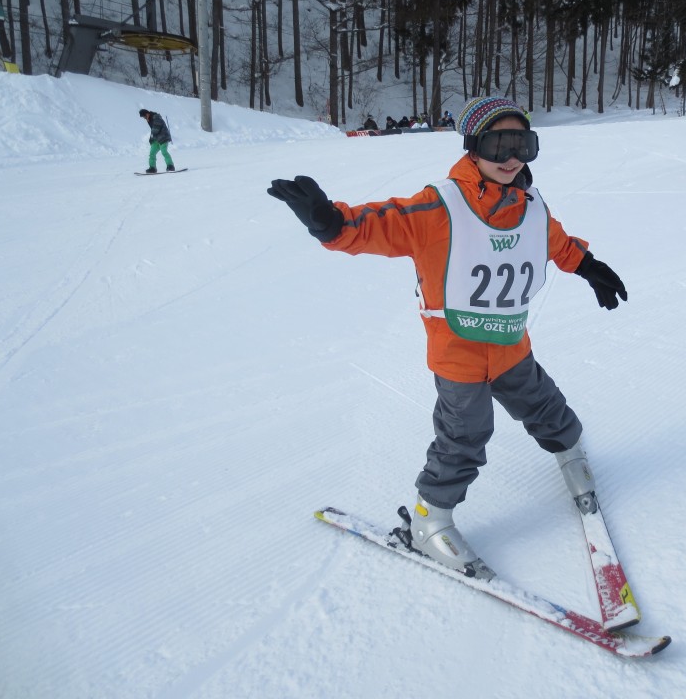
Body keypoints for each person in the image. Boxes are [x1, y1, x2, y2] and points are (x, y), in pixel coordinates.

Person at [267, 96, 628, 579]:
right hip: (457, 352)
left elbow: (555, 242)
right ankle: (429, 519)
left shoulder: (530, 204)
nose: (512, 157)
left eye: (523, 143)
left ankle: (570, 453)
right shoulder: (441, 205)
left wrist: (590, 267)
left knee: (543, 402)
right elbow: (381, 223)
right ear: (473, 147)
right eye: (499, 143)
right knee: (465, 434)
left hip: (509, 341)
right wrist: (332, 222)